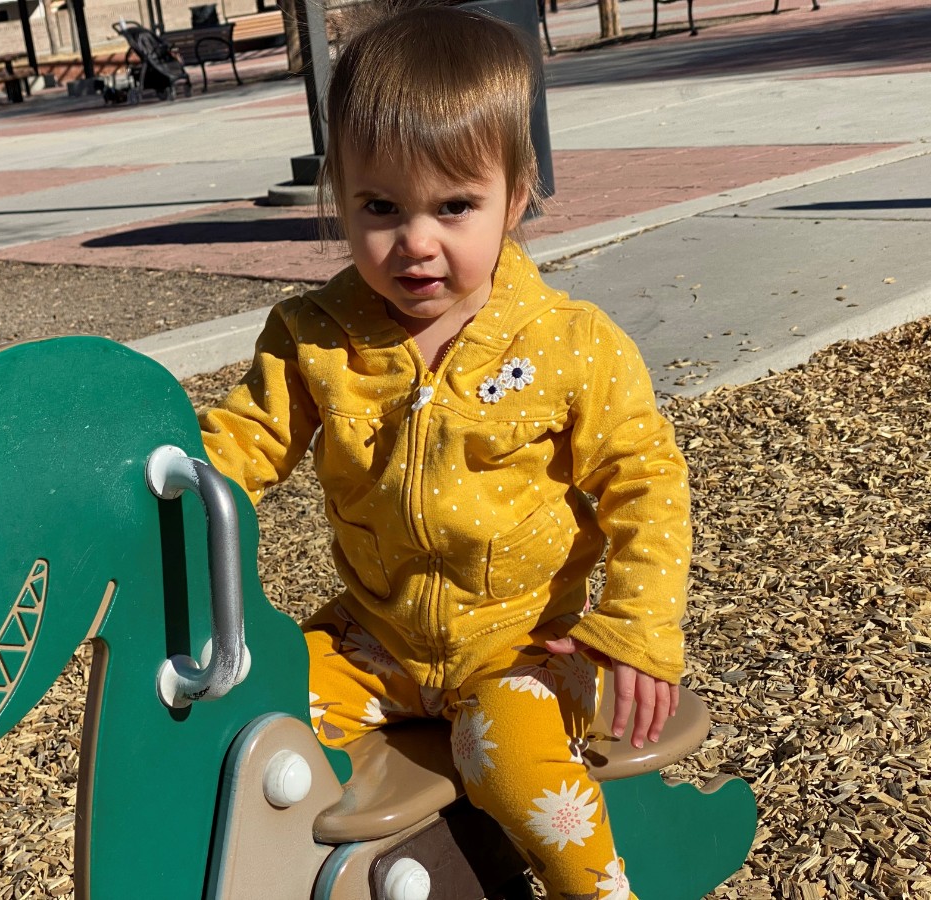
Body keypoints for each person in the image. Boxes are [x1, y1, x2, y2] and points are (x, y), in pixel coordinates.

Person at [200, 4, 690, 896]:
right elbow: (243, 442)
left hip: (524, 648)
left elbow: (645, 483)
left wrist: (639, 632)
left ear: (520, 192)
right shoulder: (316, 335)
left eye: (455, 206)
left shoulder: (566, 342)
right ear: (336, 194)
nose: (415, 242)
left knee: (508, 763)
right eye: (379, 207)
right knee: (241, 718)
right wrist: (171, 492)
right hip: (374, 640)